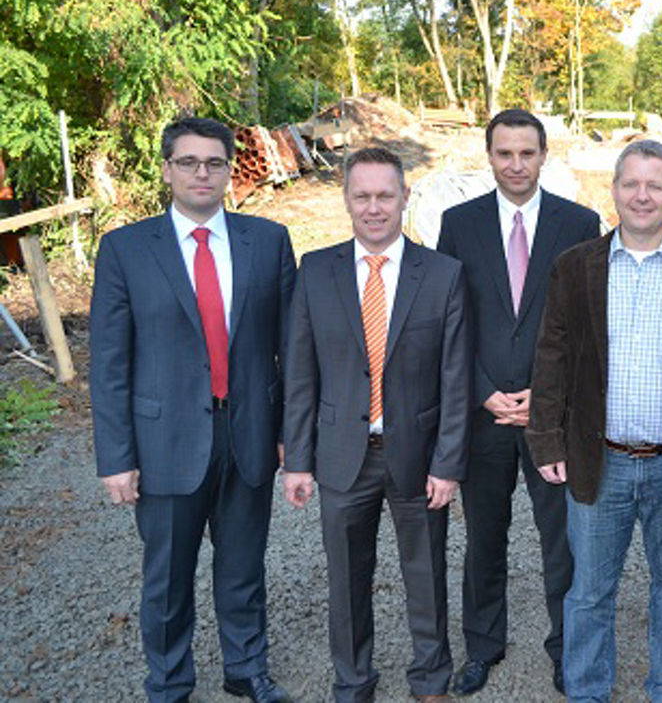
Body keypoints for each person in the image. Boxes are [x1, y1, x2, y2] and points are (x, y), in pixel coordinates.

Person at [90, 117, 296, 703]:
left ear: (231, 171)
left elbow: (292, 350)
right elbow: (109, 364)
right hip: (165, 445)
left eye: (214, 163)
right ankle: (170, 681)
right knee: (168, 579)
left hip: (248, 433)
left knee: (243, 570)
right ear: (166, 169)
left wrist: (288, 434)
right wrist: (116, 458)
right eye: (189, 162)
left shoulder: (268, 241)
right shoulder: (125, 250)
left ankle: (246, 669)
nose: (202, 173)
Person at [526, 139, 662, 702]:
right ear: (613, 190)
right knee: (588, 591)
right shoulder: (576, 266)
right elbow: (552, 356)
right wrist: (545, 440)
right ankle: (587, 691)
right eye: (631, 184)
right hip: (599, 458)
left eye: (654, 185)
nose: (642, 196)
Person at [281, 146, 470, 703]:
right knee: (345, 579)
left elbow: (455, 379)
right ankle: (353, 679)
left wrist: (449, 463)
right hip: (342, 453)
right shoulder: (316, 271)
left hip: (416, 453)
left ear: (405, 198)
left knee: (426, 574)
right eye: (361, 195)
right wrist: (298, 458)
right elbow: (299, 371)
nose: (373, 207)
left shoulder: (443, 274)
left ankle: (431, 678)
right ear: (345, 199)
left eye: (385, 195)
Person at [437, 109, 600, 696]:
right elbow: (450, 318)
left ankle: (566, 648)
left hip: (551, 416)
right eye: (504, 153)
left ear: (543, 155)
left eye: (526, 153)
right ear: (489, 156)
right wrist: (482, 392)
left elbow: (587, 322)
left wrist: (546, 395)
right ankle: (483, 647)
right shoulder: (458, 224)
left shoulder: (579, 222)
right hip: (482, 415)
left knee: (563, 542)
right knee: (484, 538)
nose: (515, 164)